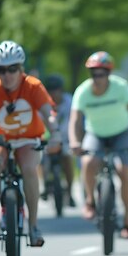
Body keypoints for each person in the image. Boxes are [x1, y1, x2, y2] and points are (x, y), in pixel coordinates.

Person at [0, 41, 61, 246]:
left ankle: (33, 226)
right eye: (1, 70)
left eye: (12, 69)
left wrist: (56, 133)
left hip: (28, 138)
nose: (7, 75)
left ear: (21, 69)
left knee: (28, 167)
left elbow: (48, 113)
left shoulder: (33, 86)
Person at [68, 51, 128, 239]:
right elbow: (75, 121)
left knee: (123, 169)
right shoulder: (83, 91)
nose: (98, 77)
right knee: (88, 163)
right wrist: (74, 141)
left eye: (102, 73)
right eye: (94, 73)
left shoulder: (121, 88)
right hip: (96, 134)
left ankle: (127, 219)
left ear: (109, 73)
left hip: (122, 133)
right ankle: (89, 201)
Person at [42, 74, 76, 206]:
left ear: (61, 90)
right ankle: (44, 184)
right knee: (41, 159)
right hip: (47, 139)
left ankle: (70, 191)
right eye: (50, 90)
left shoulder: (70, 102)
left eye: (56, 89)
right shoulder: (42, 103)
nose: (53, 93)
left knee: (67, 158)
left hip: (66, 139)